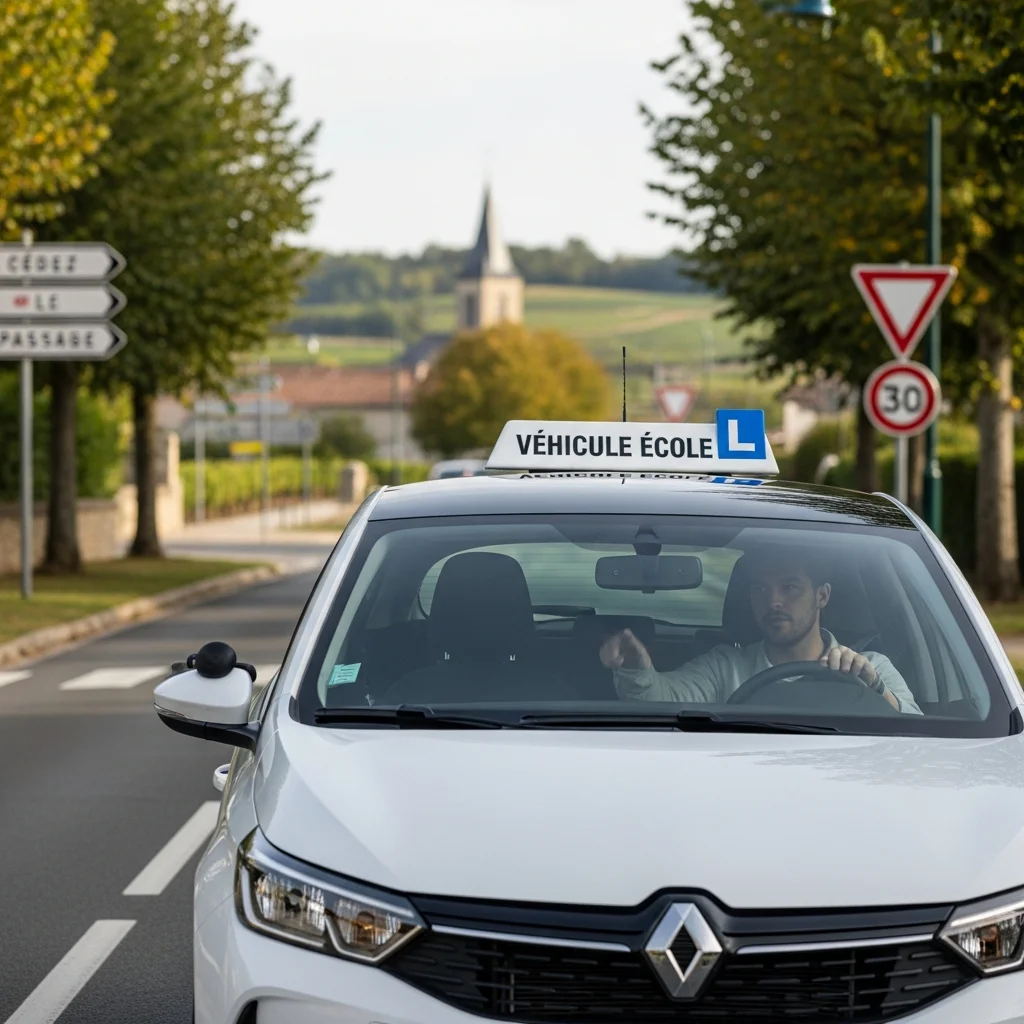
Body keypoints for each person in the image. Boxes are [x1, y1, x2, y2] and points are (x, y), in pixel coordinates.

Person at [599, 549, 922, 714]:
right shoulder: (725, 667)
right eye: (760, 590)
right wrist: (635, 668)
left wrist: (874, 689)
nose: (774, 601)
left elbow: (921, 738)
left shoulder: (872, 667)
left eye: (789, 587)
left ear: (822, 595)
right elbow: (661, 700)